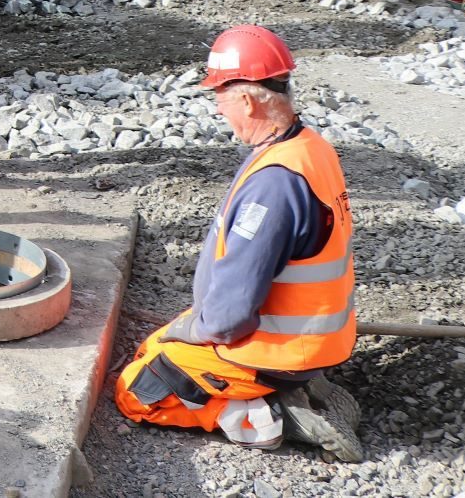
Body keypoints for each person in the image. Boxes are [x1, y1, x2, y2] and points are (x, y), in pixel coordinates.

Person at [113, 26, 363, 461]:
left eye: (220, 99)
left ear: (247, 100)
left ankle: (275, 413)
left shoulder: (274, 185)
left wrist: (192, 328)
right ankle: (304, 385)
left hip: (275, 348)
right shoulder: (309, 148)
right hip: (311, 337)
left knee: (138, 389)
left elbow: (229, 316)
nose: (219, 112)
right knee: (155, 346)